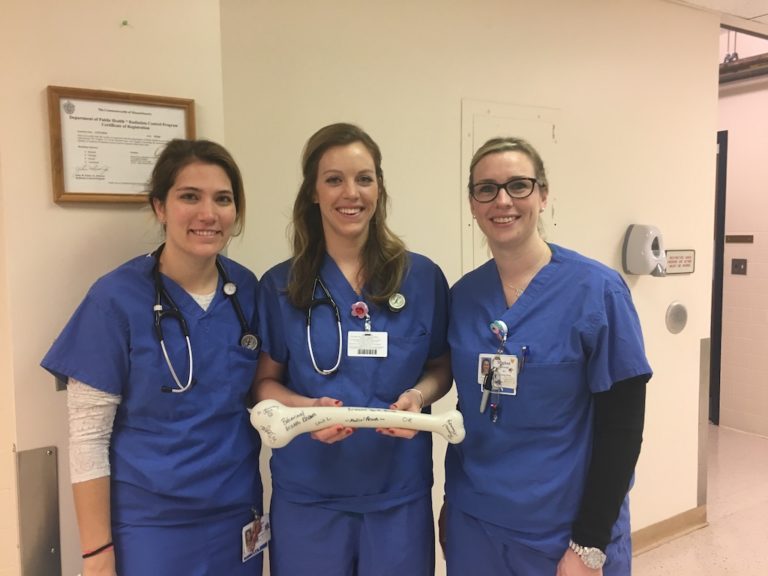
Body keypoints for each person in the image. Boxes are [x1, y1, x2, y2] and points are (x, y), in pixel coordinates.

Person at [41, 139, 263, 576]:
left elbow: (259, 390)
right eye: (189, 197)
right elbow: (88, 438)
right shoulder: (115, 299)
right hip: (149, 524)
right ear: (159, 207)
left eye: (223, 198)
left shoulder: (247, 290)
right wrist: (96, 552)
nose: (208, 213)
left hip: (237, 514)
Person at [442, 137, 651, 575]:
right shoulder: (463, 297)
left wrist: (590, 543)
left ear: (543, 194)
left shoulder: (598, 291)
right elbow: (472, 408)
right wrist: (451, 506)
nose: (503, 200)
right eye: (487, 189)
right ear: (472, 203)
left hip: (562, 534)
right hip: (475, 524)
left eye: (518, 185)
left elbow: (623, 429)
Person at [253, 122, 451, 576]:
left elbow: (441, 367)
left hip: (397, 493)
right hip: (309, 495)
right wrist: (309, 411)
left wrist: (418, 398)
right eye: (334, 179)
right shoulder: (281, 285)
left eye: (364, 178)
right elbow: (264, 384)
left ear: (379, 187)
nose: (351, 193)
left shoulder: (421, 278)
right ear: (313, 193)